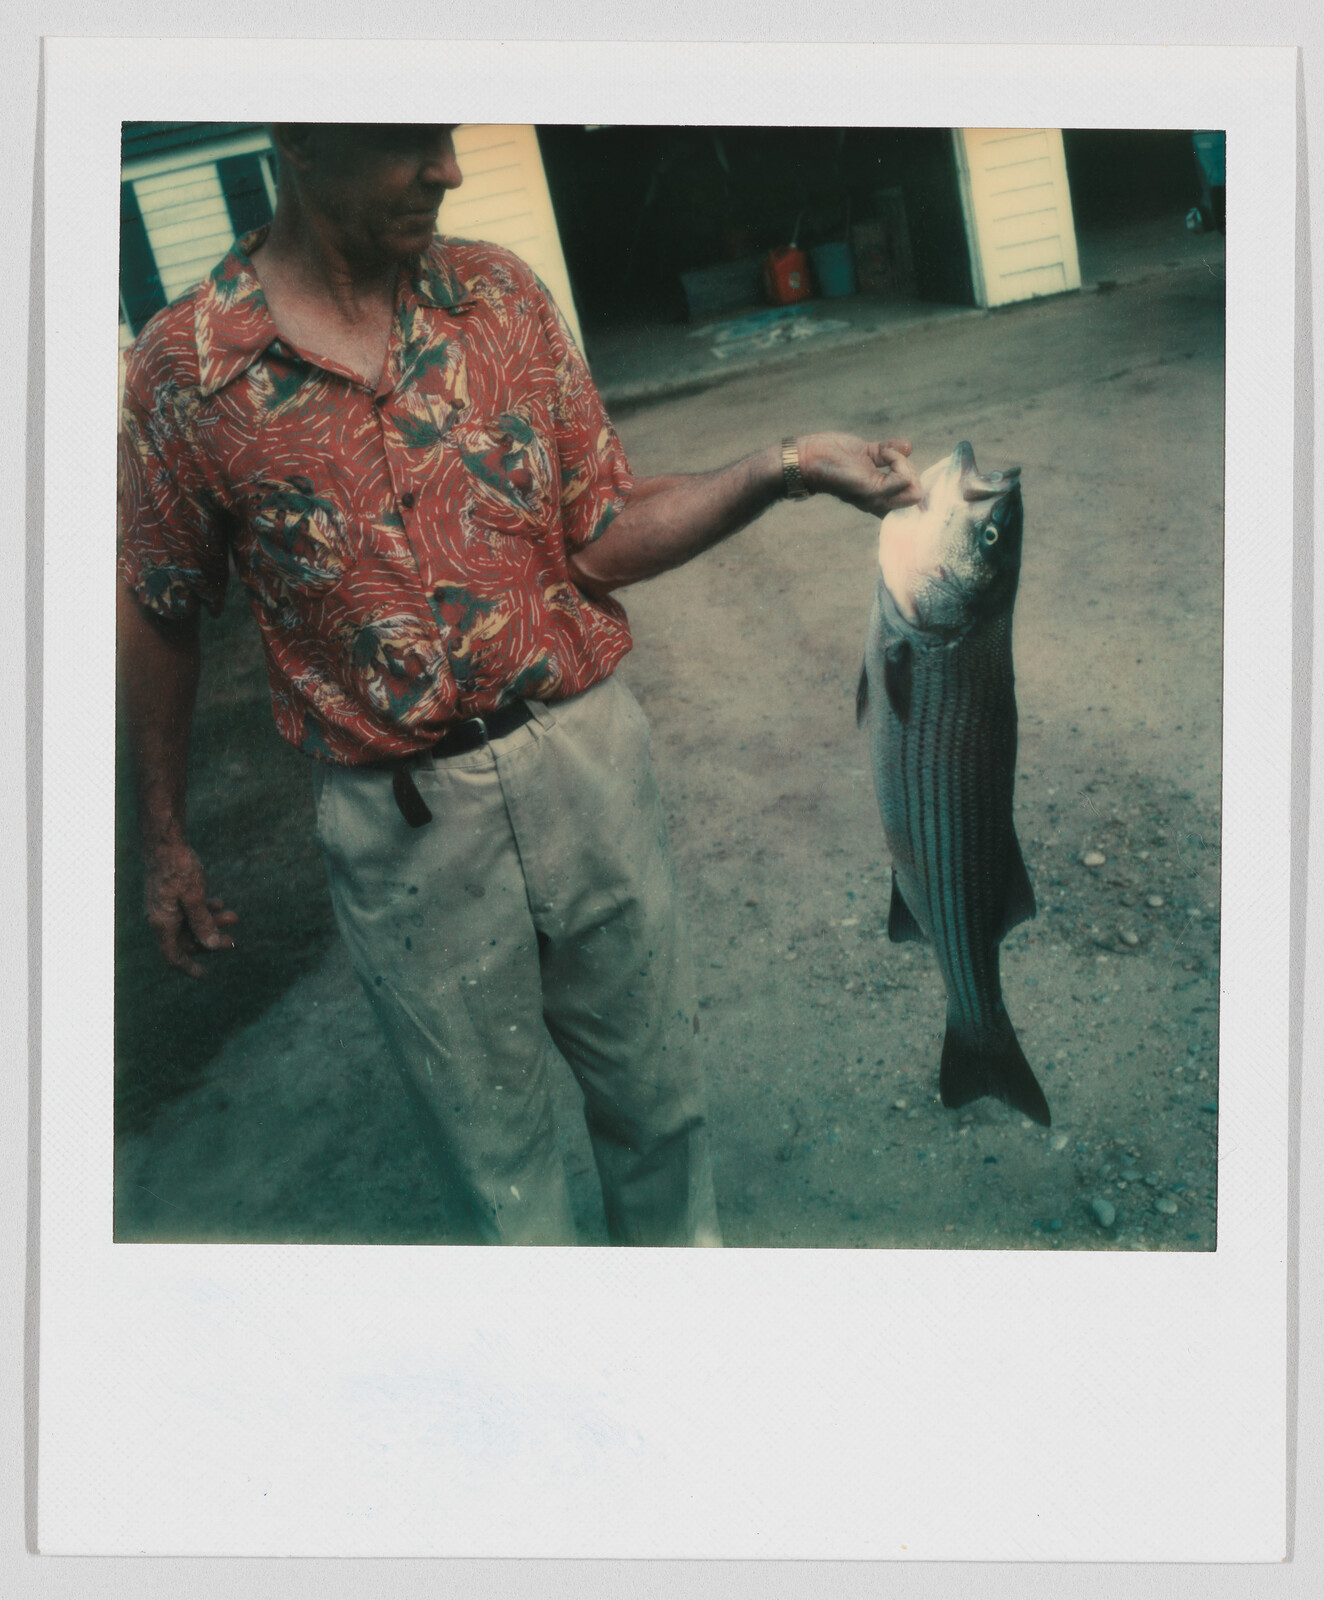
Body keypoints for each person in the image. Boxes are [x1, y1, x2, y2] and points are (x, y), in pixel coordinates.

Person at [118, 122, 921, 1246]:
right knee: (498, 1180)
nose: (447, 168)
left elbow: (599, 533)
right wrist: (162, 838)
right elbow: (158, 602)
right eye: (410, 143)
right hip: (399, 824)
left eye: (447, 136)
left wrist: (786, 467)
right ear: (302, 140)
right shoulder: (185, 368)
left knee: (659, 1106)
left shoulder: (498, 296)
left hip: (586, 764)